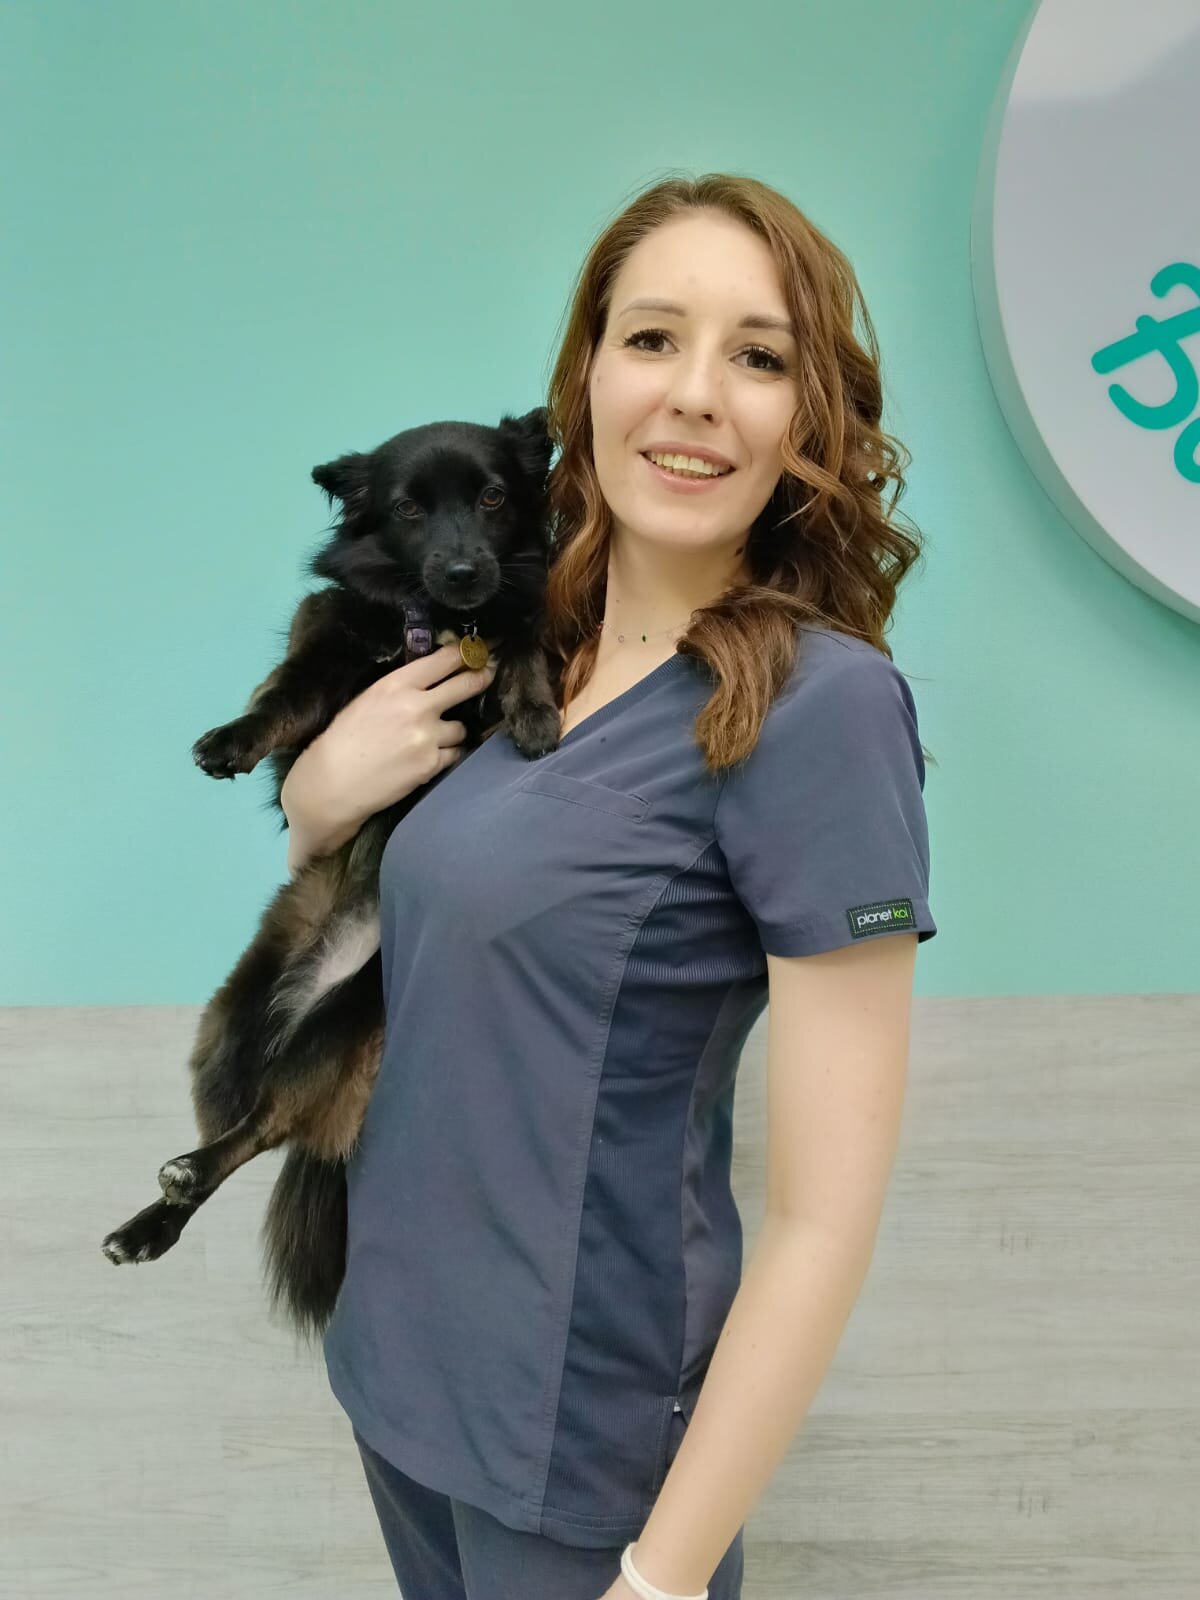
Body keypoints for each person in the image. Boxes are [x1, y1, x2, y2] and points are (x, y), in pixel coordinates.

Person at [281, 172, 938, 1600]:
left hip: (578, 1455)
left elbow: (825, 1219)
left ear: (810, 415)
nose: (695, 393)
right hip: (400, 1380)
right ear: (585, 378)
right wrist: (313, 799)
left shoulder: (819, 709)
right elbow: (411, 938)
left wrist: (662, 1577)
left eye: (758, 356)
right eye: (652, 339)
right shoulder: (523, 664)